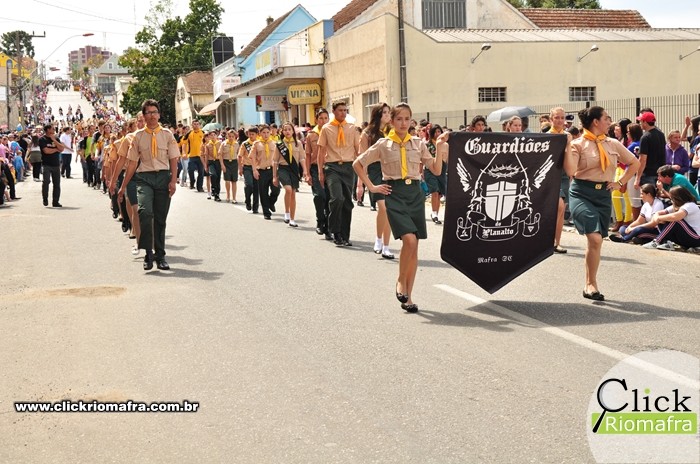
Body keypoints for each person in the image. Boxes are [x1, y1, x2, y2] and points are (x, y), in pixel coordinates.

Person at [353, 102, 445, 313]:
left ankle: (408, 297)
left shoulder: (418, 143)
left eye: (407, 119)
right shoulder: (383, 144)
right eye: (399, 119)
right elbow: (357, 163)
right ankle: (401, 281)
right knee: (409, 240)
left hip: (415, 194)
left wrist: (439, 148)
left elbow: (436, 170)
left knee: (414, 247)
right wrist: (371, 187)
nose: (403, 123)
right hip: (394, 194)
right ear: (392, 121)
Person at [564, 106, 640, 301]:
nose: (609, 122)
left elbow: (635, 163)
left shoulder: (612, 143)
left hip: (604, 195)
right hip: (581, 193)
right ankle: (591, 284)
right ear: (596, 122)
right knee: (595, 238)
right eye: (606, 118)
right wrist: (567, 146)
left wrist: (620, 182)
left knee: (595, 240)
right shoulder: (578, 144)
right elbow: (571, 171)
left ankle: (589, 283)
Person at [118, 99, 180, 271]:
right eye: (148, 113)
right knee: (144, 212)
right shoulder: (137, 136)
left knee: (160, 218)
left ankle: (160, 256)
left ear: (159, 115)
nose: (152, 116)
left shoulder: (167, 134)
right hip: (144, 178)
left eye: (154, 112)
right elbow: (132, 163)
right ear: (143, 116)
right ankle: (148, 253)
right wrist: (123, 186)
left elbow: (173, 159)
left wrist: (173, 181)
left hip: (163, 177)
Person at [318, 101, 361, 246]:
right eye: (340, 110)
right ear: (334, 111)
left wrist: (363, 167)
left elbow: (357, 149)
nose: (343, 113)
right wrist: (320, 172)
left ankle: (345, 235)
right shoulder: (326, 128)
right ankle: (335, 231)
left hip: (348, 167)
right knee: (337, 198)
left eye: (345, 110)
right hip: (332, 167)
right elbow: (321, 152)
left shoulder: (352, 128)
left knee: (347, 202)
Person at [361, 103, 394, 258]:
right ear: (378, 114)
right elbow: (361, 160)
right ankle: (378, 239)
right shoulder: (367, 133)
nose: (388, 115)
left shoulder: (392, 132)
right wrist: (360, 183)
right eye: (385, 112)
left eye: (389, 112)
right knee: (383, 207)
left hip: (391, 171)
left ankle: (386, 246)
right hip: (375, 171)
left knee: (389, 209)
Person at [642, 185, 700, 251]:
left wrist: (659, 218)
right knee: (663, 219)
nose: (671, 200)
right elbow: (659, 213)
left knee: (676, 220)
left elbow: (676, 217)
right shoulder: (677, 205)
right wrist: (658, 217)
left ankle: (656, 241)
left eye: (672, 198)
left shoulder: (690, 205)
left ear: (678, 198)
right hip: (686, 237)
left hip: (696, 238)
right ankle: (666, 242)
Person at [548, 107, 572, 253]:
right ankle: (549, 240)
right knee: (560, 206)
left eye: (562, 117)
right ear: (551, 119)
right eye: (557, 117)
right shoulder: (546, 136)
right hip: (550, 175)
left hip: (563, 175)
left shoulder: (567, 136)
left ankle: (557, 242)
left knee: (561, 211)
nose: (560, 120)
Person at [305, 108, 331, 239]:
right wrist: (307, 173)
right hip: (315, 168)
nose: (323, 121)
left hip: (330, 168)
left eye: (326, 118)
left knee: (330, 198)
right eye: (321, 118)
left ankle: (328, 227)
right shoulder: (311, 135)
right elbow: (307, 155)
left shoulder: (332, 132)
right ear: (316, 120)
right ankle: (320, 220)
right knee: (319, 196)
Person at [272, 122, 305, 227]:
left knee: (293, 193)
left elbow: (302, 158)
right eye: (285, 130)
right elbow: (275, 161)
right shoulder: (279, 144)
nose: (287, 131)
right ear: (282, 132)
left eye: (289, 129)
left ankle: (292, 219)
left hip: (294, 169)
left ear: (293, 131)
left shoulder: (298, 143)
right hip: (283, 169)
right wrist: (274, 176)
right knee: (288, 190)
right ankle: (287, 212)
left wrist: (305, 171)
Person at [252, 125, 280, 220]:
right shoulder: (256, 144)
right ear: (260, 133)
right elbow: (253, 158)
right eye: (263, 132)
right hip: (261, 170)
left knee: (276, 189)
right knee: (263, 192)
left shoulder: (274, 143)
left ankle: (271, 202)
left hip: (272, 170)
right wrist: (254, 170)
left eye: (268, 132)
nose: (266, 134)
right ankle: (266, 212)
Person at [634, 110, 665, 190]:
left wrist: (637, 178)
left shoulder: (645, 137)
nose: (640, 123)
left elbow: (642, 160)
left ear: (645, 122)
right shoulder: (661, 134)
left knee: (647, 197)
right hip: (660, 173)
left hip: (648, 174)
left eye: (640, 121)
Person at [38, 124, 66, 207]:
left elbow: (62, 149)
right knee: (46, 181)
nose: (54, 130)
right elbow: (46, 151)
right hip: (46, 164)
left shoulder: (56, 138)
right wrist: (56, 149)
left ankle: (55, 201)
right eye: (52, 129)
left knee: (57, 184)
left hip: (56, 164)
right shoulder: (42, 139)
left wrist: (54, 140)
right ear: (48, 130)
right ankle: (45, 198)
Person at [238, 127, 260, 214]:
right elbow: (239, 156)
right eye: (249, 134)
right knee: (249, 185)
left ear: (257, 134)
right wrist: (240, 168)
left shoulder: (259, 143)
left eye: (253, 134)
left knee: (256, 188)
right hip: (247, 167)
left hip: (258, 168)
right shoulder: (245, 144)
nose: (251, 136)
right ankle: (247, 199)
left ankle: (255, 207)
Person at [184, 120, 205, 192]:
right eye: (194, 124)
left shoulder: (203, 133)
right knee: (190, 170)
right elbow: (184, 143)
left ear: (199, 125)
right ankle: (192, 181)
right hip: (191, 155)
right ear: (192, 125)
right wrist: (184, 153)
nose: (196, 125)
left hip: (201, 156)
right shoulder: (189, 133)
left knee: (201, 172)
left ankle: (200, 187)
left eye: (197, 124)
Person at [220, 130, 239, 203]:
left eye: (232, 136)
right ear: (227, 136)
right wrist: (222, 165)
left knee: (234, 181)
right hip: (226, 162)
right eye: (229, 136)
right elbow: (220, 155)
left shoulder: (236, 144)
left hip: (234, 162)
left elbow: (239, 154)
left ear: (235, 137)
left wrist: (240, 165)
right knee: (227, 180)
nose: (231, 138)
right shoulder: (223, 144)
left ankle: (234, 197)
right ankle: (228, 195)